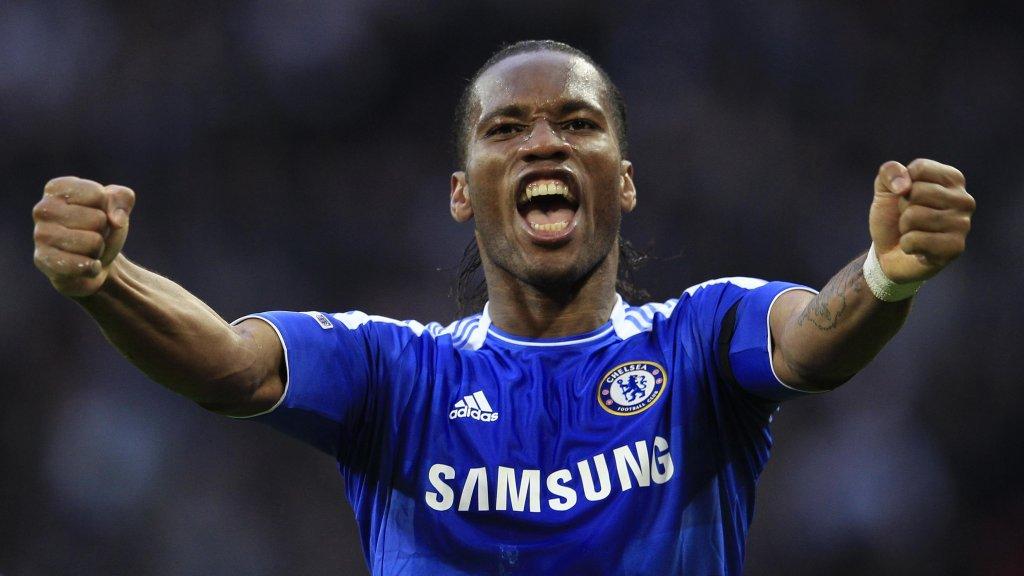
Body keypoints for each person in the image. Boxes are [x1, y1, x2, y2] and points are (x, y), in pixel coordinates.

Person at [31, 40, 975, 575]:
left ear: (625, 180)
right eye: (506, 129)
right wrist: (108, 282)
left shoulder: (699, 339)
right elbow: (234, 367)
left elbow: (809, 346)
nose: (542, 144)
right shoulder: (396, 372)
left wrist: (885, 276)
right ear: (461, 192)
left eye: (577, 123)